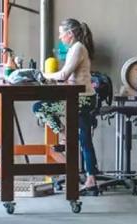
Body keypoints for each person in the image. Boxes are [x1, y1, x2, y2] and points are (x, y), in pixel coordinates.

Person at [32, 18, 100, 193]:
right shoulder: (75, 48)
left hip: (81, 100)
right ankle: (91, 177)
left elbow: (63, 75)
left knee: (39, 108)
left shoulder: (77, 48)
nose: (60, 37)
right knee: (85, 139)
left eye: (62, 33)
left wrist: (44, 75)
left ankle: (64, 133)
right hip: (81, 98)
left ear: (70, 34)